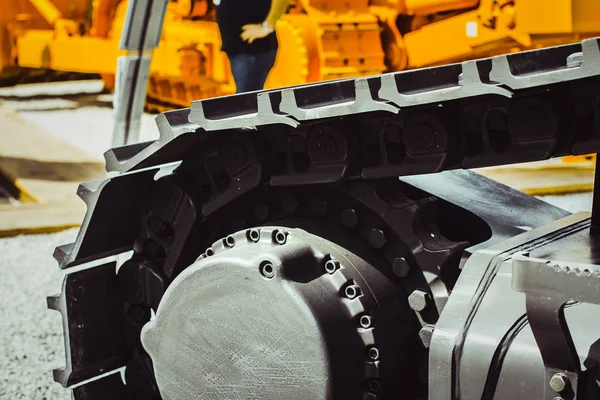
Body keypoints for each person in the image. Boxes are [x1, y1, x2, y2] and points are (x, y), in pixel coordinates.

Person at [215, 0, 291, 94]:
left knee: (247, 100)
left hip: (253, 50)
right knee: (247, 98)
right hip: (238, 47)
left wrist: (266, 27)